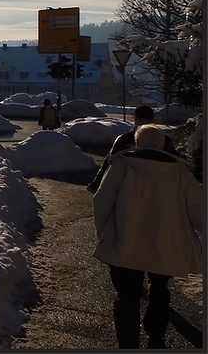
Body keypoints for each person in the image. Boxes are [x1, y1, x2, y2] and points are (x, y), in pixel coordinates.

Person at [92, 124, 203, 349]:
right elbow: (199, 211)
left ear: (137, 143)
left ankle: (128, 344)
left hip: (125, 241)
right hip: (167, 244)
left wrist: (103, 232)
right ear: (163, 145)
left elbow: (101, 201)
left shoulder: (122, 166)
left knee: (127, 297)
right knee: (160, 292)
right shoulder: (180, 172)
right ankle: (156, 338)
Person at [87, 105, 176, 193]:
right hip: (161, 188)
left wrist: (96, 184)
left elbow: (110, 161)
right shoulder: (165, 140)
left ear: (135, 118)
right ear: (152, 119)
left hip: (129, 187)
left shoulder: (125, 139)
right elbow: (175, 161)